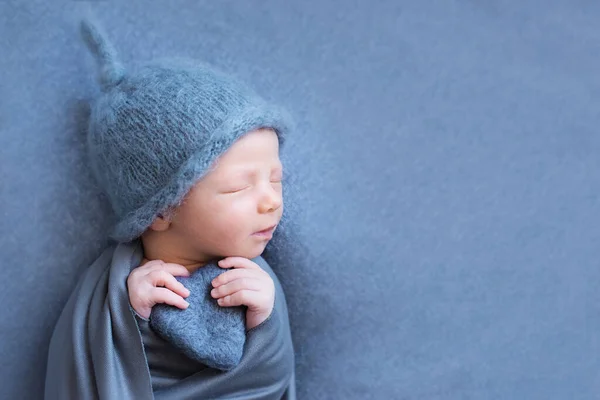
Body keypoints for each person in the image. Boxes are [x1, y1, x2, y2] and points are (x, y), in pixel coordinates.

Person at [45, 17, 296, 399]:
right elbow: (89, 372)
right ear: (161, 211)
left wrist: (265, 322)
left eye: (276, 180)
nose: (271, 201)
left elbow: (272, 380)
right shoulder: (113, 291)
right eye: (239, 186)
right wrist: (130, 318)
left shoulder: (256, 281)